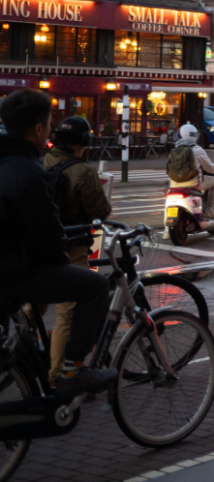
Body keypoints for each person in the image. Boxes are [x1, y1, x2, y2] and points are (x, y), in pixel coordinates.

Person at [0, 90, 116, 397]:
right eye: (48, 123)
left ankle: (28, 354)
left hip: (9, 262)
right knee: (94, 288)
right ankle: (70, 373)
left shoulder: (18, 163)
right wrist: (61, 258)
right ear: (38, 129)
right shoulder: (29, 172)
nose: (50, 129)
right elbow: (48, 238)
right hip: (17, 268)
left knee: (35, 310)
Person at [41, 116, 112, 387]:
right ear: (84, 142)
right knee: (68, 314)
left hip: (41, 247)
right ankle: (60, 377)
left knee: (35, 305)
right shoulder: (83, 171)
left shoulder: (44, 162)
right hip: (73, 248)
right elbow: (100, 211)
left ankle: (27, 352)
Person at [173, 123, 214, 218]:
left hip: (176, 183)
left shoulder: (175, 149)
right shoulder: (197, 149)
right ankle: (209, 210)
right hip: (192, 183)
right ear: (194, 135)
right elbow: (209, 167)